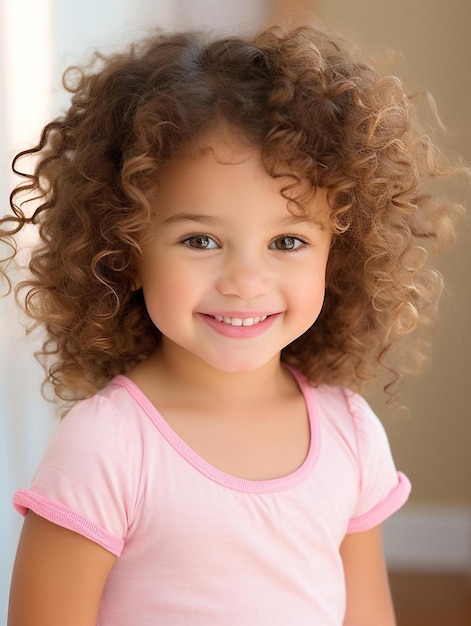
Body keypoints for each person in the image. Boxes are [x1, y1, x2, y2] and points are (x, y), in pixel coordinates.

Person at [1, 22, 465, 626]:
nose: (245, 280)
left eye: (287, 241)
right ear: (127, 253)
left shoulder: (349, 431)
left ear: (338, 253)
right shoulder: (108, 446)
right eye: (201, 239)